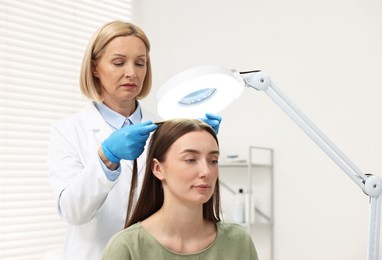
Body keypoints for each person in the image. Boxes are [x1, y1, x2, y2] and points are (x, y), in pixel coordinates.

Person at [47, 21, 222, 260]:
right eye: (119, 62)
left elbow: (185, 201)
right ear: (95, 67)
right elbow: (73, 212)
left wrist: (197, 149)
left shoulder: (166, 129)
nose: (132, 72)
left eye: (140, 63)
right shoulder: (69, 131)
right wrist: (107, 158)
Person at [102, 119, 258, 260]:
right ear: (158, 168)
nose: (206, 171)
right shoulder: (126, 248)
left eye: (213, 160)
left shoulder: (238, 242)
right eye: (190, 160)